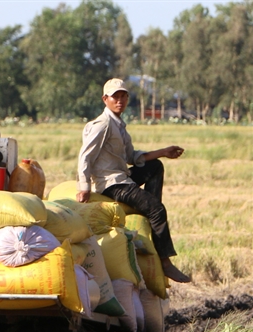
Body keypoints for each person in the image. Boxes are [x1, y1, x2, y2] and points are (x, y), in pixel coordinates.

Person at [76, 78, 191, 283]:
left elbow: (132, 157)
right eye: (115, 97)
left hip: (123, 177)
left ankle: (149, 210)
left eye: (123, 96)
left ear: (127, 98)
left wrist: (163, 152)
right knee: (157, 210)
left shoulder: (120, 126)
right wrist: (84, 186)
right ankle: (165, 262)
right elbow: (86, 156)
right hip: (111, 184)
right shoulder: (101, 125)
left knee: (155, 166)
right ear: (105, 99)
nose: (119, 100)